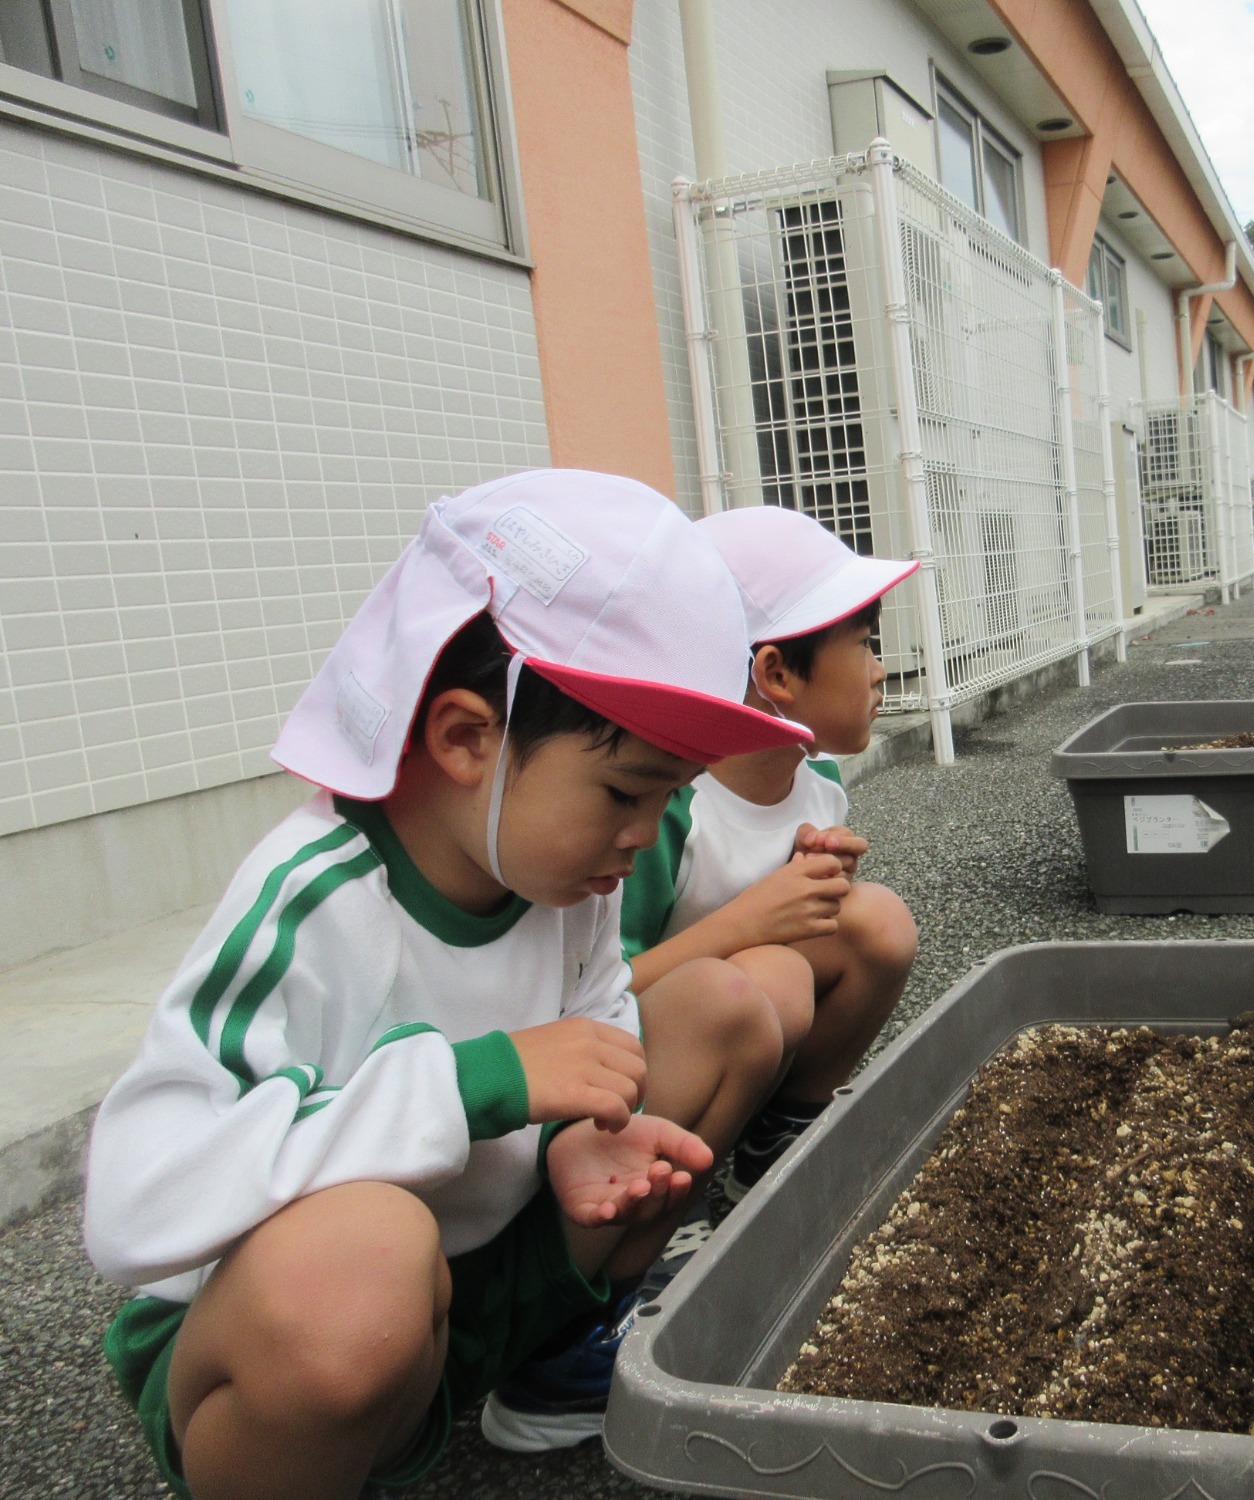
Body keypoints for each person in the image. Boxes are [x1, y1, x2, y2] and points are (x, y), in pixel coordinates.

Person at [84, 470, 815, 1500]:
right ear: (469, 738)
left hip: (473, 1275)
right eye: (624, 791)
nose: (644, 836)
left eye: (669, 798)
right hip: (291, 1327)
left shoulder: (564, 878)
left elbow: (599, 1019)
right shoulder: (318, 897)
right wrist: (474, 1083)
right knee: (364, 1268)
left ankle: (551, 1371)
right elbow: (136, 1200)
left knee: (718, 1014)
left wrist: (576, 1140)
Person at [619, 506, 920, 1209]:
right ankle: (665, 1209)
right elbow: (597, 997)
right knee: (770, 983)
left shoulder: (819, 785)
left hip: (739, 1035)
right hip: (635, 1072)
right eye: (865, 646)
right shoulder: (666, 810)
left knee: (876, 921)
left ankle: (774, 1146)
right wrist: (754, 918)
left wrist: (818, 887)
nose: (880, 671)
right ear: (777, 673)